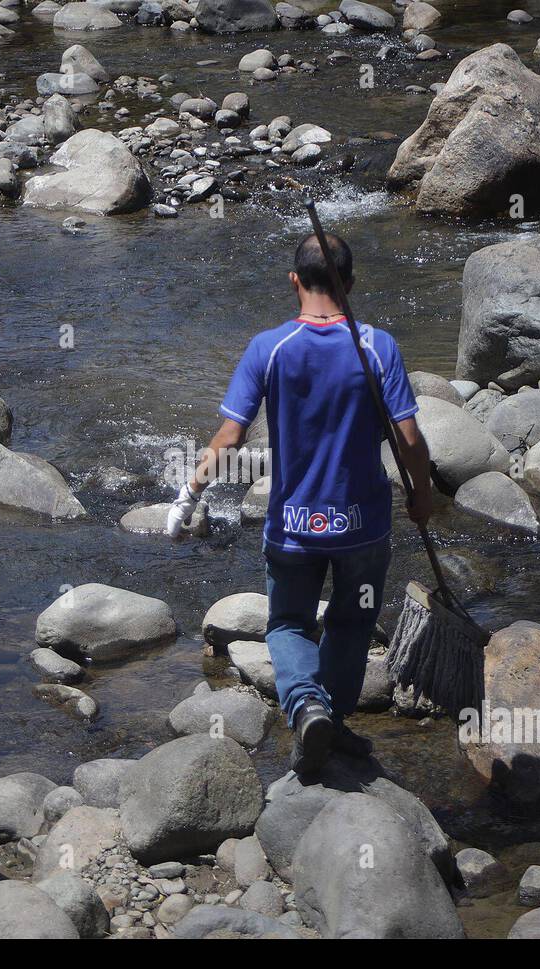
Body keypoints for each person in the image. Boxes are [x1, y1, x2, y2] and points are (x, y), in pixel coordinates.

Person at [167, 231, 435, 776]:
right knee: (353, 622)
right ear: (351, 284)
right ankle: (329, 722)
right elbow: (408, 440)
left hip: (293, 525)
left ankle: (310, 709)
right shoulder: (377, 347)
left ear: (294, 282)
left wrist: (189, 494)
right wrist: (424, 497)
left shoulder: (269, 348)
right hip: (362, 527)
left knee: (288, 626)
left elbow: (230, 438)